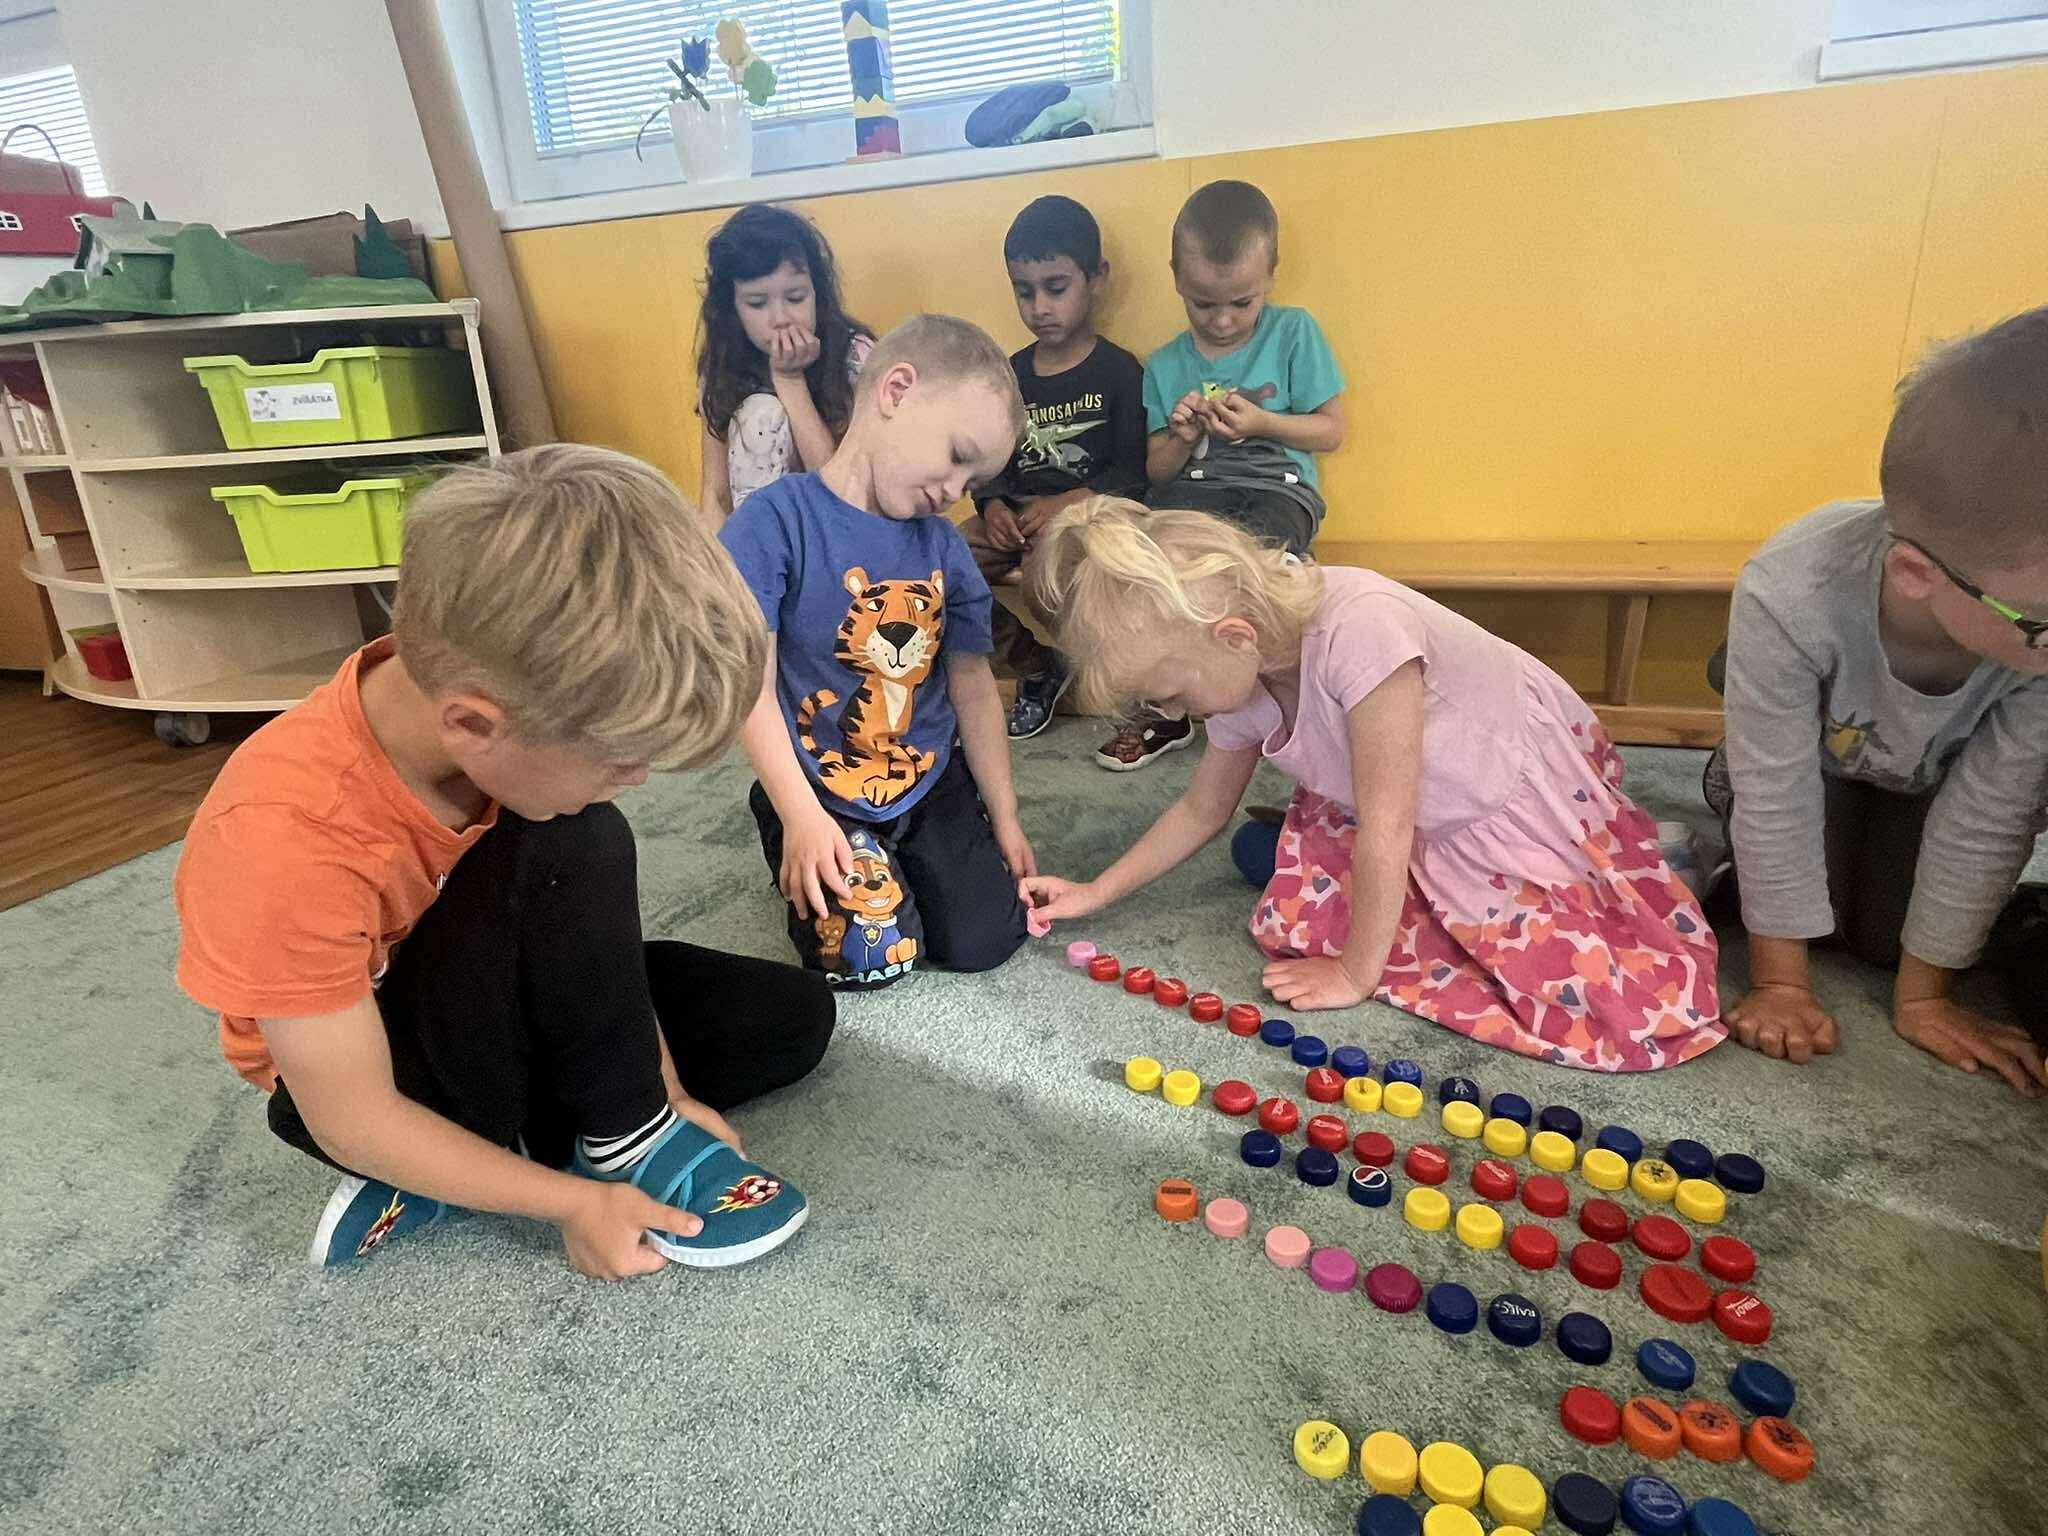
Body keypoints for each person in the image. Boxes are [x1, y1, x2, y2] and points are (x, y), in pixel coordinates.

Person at [175, 446, 833, 1275]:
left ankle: (579, 1135)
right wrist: (575, 1205)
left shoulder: (496, 684)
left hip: (499, 995)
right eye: (618, 759)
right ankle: (543, 1149)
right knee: (573, 835)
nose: (634, 781)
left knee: (788, 1018)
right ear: (473, 725)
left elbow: (585, 950)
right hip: (372, 1078)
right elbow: (351, 1117)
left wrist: (661, 1092)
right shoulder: (285, 841)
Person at [1021, 499, 1722, 1072]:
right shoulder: (1236, 670)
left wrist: (1355, 976)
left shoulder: (1362, 629)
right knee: (1277, 885)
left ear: (1235, 637)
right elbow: (1202, 808)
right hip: (1388, 801)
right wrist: (1097, 890)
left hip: (1490, 799)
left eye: (1171, 694)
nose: (1172, 713)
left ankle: (1641, 858)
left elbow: (1389, 826)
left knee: (1606, 995)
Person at [1708, 306, 2048, 1095]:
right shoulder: (1791, 587)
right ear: (1916, 575)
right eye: (2042, 623)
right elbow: (1777, 794)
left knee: (1885, 945)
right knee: (1799, 908)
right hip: (1812, 763)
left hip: (1926, 777)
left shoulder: (2022, 626)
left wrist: (1925, 996)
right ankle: (1739, 730)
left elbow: (1993, 810)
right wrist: (1781, 984)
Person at [721, 314, 1036, 989]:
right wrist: (800, 815)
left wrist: (1005, 817)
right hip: (819, 783)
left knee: (985, 939)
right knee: (872, 957)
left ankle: (906, 854)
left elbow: (974, 685)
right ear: (896, 390)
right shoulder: (772, 522)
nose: (955, 491)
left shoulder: (944, 546)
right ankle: (791, 823)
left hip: (924, 775)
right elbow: (750, 685)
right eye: (957, 455)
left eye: (973, 481)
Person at [1103, 178, 1347, 771]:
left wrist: (1263, 422)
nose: (1222, 320)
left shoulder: (1294, 332)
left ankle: (1294, 703)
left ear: (1270, 276)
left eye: (1242, 303)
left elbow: (1330, 430)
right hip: (1192, 491)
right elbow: (1157, 470)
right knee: (1153, 562)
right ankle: (1168, 705)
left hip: (1276, 489)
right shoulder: (1165, 363)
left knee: (1265, 564)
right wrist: (1183, 436)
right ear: (1176, 279)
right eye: (1203, 304)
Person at [956, 194, 1146, 739]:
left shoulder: (1119, 371)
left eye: (1056, 288)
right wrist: (992, 506)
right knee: (937, 562)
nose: (1039, 306)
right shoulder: (1009, 374)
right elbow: (988, 462)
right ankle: (1035, 666)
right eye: (1024, 291)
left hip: (1089, 521)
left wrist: (1068, 503)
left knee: (1049, 575)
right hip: (1016, 522)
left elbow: (1134, 472)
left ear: (1096, 278)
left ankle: (1130, 688)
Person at [696, 204, 873, 524]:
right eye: (757, 303)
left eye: (795, 298)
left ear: (817, 293)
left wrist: (790, 382)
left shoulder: (854, 355)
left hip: (841, 531)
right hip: (756, 535)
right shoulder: (724, 362)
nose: (780, 319)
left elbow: (841, 495)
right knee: (761, 414)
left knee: (767, 414)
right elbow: (714, 495)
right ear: (732, 308)